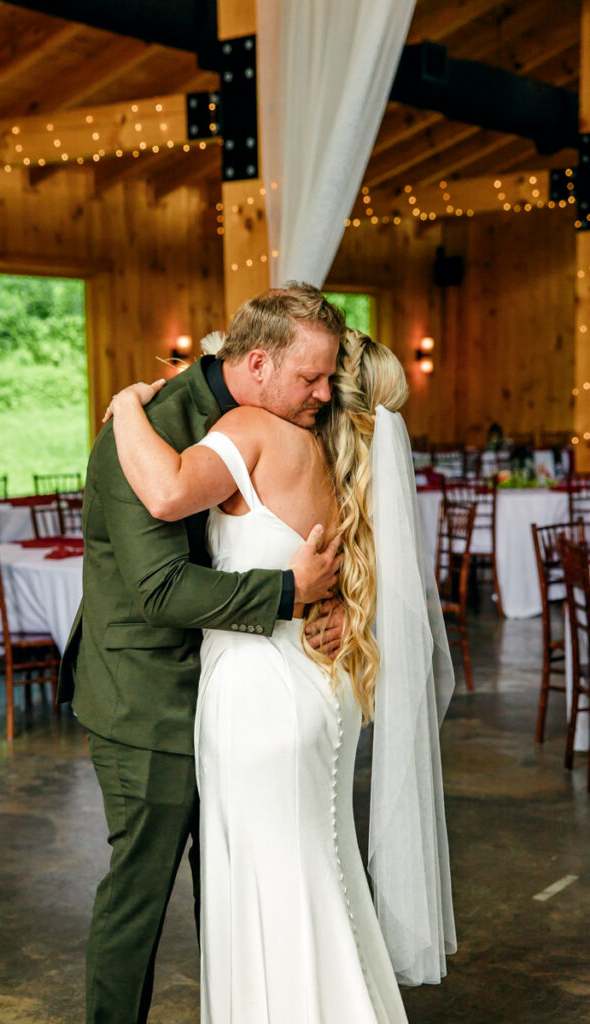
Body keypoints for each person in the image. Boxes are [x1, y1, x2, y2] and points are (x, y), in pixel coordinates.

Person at [106, 321, 457, 1021]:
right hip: (321, 686)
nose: (315, 389)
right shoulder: (342, 460)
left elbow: (167, 493)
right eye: (310, 376)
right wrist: (349, 611)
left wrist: (123, 408)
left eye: (321, 377)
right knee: (321, 870)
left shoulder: (253, 429)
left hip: (258, 692)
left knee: (268, 887)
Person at [58, 284, 349, 1024]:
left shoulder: (284, 423)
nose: (324, 393)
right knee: (140, 897)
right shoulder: (146, 431)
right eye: (310, 377)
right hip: (145, 697)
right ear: (257, 363)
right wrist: (289, 593)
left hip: (238, 700)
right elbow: (159, 589)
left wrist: (339, 601)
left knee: (232, 887)